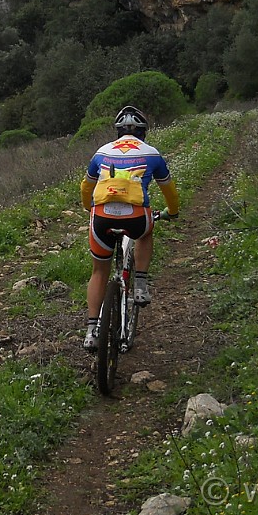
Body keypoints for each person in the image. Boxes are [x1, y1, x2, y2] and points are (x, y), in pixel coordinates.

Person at [79, 105, 179, 351]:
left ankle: (92, 331)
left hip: (101, 217)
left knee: (98, 272)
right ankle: (141, 286)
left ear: (117, 131)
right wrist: (173, 212)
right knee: (146, 231)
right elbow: (169, 190)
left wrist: (87, 208)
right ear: (143, 132)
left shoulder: (101, 152)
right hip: (136, 217)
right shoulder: (152, 153)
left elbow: (86, 187)